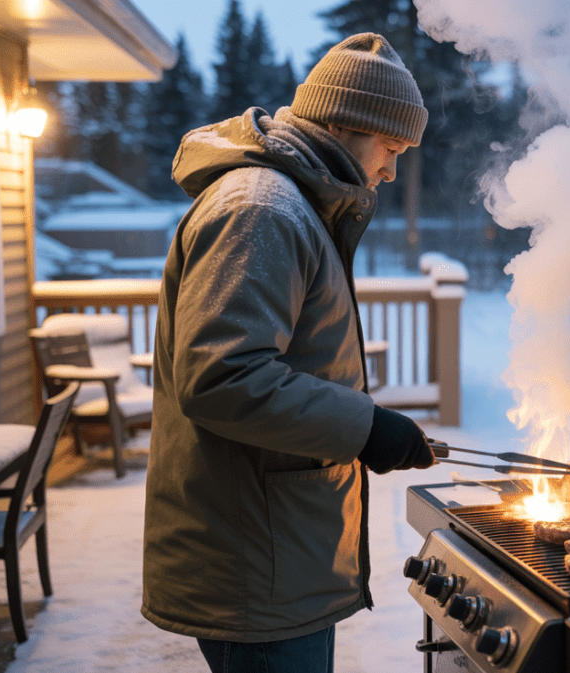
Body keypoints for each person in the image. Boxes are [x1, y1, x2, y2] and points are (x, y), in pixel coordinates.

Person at [141, 33, 436, 673]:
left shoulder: (292, 204)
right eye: (390, 148)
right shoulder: (262, 209)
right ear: (342, 122)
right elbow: (223, 376)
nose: (390, 171)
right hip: (253, 565)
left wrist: (362, 423)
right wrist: (365, 427)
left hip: (273, 552)